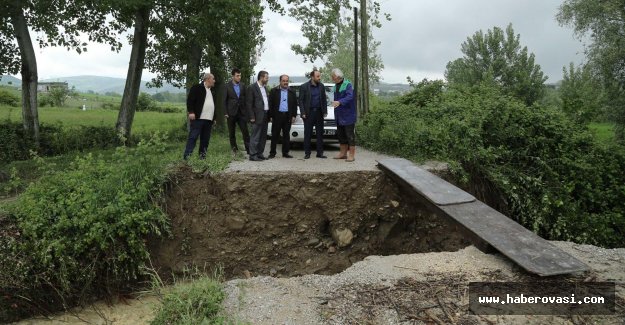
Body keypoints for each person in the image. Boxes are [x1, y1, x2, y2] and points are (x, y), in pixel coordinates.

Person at [183, 72, 216, 160]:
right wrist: (191, 112)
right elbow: (190, 101)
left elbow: (213, 105)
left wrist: (214, 118)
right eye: (213, 79)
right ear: (208, 79)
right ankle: (187, 157)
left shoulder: (211, 91)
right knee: (193, 137)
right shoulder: (197, 88)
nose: (214, 81)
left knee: (205, 140)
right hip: (198, 119)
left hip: (208, 120)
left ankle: (202, 158)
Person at [298, 69, 328, 159]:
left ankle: (320, 153)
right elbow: (301, 101)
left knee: (320, 134)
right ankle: (307, 153)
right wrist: (302, 112)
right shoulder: (304, 87)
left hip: (319, 112)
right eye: (317, 76)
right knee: (308, 134)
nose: (319, 78)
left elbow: (324, 100)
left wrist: (325, 111)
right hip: (308, 113)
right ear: (312, 77)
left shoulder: (321, 86)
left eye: (320, 76)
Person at [330, 68, 357, 162]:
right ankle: (343, 154)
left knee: (349, 135)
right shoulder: (336, 85)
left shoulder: (348, 84)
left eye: (332, 76)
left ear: (337, 77)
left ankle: (351, 155)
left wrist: (339, 102)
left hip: (348, 115)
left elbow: (350, 97)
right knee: (341, 135)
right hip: (339, 115)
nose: (331, 78)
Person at [268, 74, 297, 158]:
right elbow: (271, 104)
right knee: (275, 135)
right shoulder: (274, 91)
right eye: (283, 81)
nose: (285, 82)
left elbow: (295, 105)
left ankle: (285, 153)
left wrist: (294, 115)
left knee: (286, 135)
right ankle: (272, 153)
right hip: (277, 116)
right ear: (280, 81)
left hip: (288, 116)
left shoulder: (292, 92)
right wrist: (270, 115)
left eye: (287, 81)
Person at [223, 68, 250, 155]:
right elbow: (224, 100)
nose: (239, 77)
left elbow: (246, 99)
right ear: (233, 76)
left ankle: (249, 150)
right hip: (231, 113)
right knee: (232, 132)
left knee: (245, 131)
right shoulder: (227, 86)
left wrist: (247, 112)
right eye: (237, 76)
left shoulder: (243, 85)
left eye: (240, 75)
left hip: (241, 113)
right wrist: (225, 112)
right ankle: (234, 150)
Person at [246, 70, 270, 161]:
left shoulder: (265, 88)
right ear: (261, 77)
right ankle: (253, 155)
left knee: (263, 136)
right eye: (266, 78)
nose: (267, 79)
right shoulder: (252, 88)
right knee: (255, 136)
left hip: (265, 114)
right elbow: (249, 103)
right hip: (256, 116)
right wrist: (251, 116)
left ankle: (260, 153)